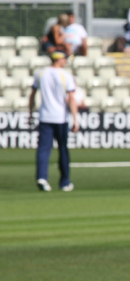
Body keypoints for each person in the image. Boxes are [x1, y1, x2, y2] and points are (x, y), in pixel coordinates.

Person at [29, 52, 79, 192]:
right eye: (65, 59)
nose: (66, 62)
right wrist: (75, 119)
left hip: (45, 116)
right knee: (63, 149)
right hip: (60, 117)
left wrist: (30, 113)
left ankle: (42, 177)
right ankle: (65, 181)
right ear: (59, 60)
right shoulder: (65, 75)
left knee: (43, 149)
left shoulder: (40, 73)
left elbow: (32, 95)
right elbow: (71, 98)